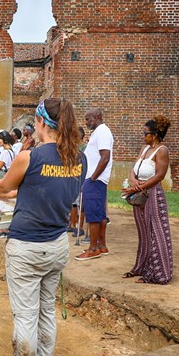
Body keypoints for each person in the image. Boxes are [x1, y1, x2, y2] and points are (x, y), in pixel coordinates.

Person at [0, 98, 86, 356]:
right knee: (46, 314)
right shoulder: (78, 158)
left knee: (26, 318)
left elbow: (3, 186)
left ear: (41, 122)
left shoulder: (30, 157)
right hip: (56, 245)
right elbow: (57, 192)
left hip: (27, 246)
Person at [121, 115, 173, 284]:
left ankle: (158, 273)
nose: (143, 136)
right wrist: (134, 181)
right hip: (141, 196)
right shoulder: (144, 149)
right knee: (144, 233)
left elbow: (160, 175)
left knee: (156, 233)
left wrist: (138, 187)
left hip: (153, 195)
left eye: (145, 134)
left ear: (155, 135)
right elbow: (133, 170)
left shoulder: (162, 150)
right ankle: (142, 267)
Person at [75, 108, 114, 261]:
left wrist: (92, 178)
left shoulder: (103, 131)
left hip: (95, 179)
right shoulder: (98, 132)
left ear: (97, 117)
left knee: (92, 215)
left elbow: (105, 157)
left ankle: (93, 249)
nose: (86, 122)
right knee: (99, 214)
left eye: (88, 119)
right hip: (95, 179)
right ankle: (102, 246)